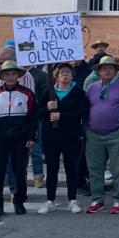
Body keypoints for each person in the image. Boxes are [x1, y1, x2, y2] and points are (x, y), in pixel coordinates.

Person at [0, 61, 37, 220]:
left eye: (13, 74)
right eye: (7, 74)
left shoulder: (27, 94)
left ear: (18, 75)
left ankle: (19, 201)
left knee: (20, 171)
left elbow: (32, 118)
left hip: (20, 139)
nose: (10, 76)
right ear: (2, 76)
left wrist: (32, 136)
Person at [84, 56, 119, 215]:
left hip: (116, 133)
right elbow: (86, 110)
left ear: (115, 70)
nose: (107, 70)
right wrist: (86, 129)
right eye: (104, 68)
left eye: (110, 68)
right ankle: (97, 199)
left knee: (118, 169)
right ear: (98, 71)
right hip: (93, 134)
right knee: (94, 169)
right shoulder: (92, 88)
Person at [38, 63, 89, 214]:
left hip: (71, 136)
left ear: (72, 75)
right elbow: (37, 113)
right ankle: (50, 200)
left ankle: (72, 200)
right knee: (52, 169)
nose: (65, 75)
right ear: (57, 75)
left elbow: (83, 112)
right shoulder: (48, 92)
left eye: (68, 72)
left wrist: (63, 115)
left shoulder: (78, 92)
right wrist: (47, 108)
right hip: (51, 137)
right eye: (62, 72)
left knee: (71, 168)